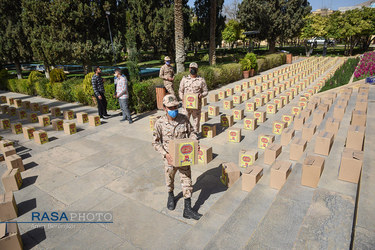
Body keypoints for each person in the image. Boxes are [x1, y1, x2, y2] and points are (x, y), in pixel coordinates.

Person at [152, 94, 202, 220]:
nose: (174, 109)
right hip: (169, 158)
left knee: (187, 181)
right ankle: (170, 195)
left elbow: (192, 132)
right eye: (170, 107)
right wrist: (165, 154)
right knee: (170, 178)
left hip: (184, 157)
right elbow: (155, 142)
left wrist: (194, 143)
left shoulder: (184, 119)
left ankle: (188, 208)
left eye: (175, 106)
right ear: (164, 108)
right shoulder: (160, 123)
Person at [179, 62, 208, 133]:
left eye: (194, 69)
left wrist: (201, 95)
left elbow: (206, 91)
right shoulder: (184, 79)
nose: (193, 70)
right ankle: (185, 134)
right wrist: (182, 98)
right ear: (189, 69)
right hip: (186, 106)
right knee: (184, 121)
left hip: (196, 106)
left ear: (197, 69)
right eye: (192, 68)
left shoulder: (201, 80)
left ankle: (195, 135)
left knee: (196, 121)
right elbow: (180, 91)